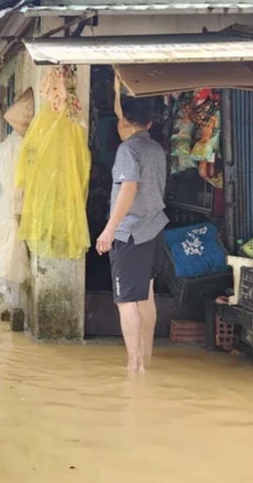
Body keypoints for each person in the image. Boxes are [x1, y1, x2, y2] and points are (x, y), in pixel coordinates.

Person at [95, 97, 168, 372]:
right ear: (149, 124)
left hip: (131, 233)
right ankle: (146, 356)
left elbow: (129, 189)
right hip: (154, 228)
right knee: (146, 294)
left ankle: (134, 365)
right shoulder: (156, 149)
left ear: (123, 122)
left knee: (126, 300)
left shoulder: (128, 150)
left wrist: (109, 229)